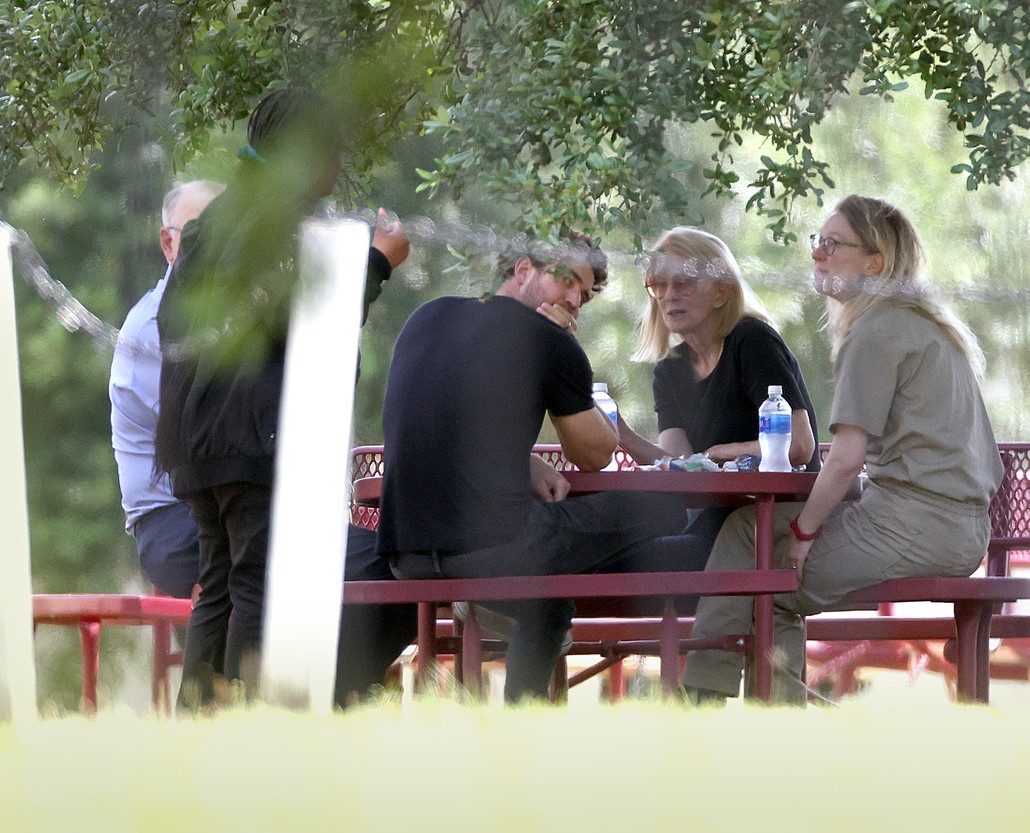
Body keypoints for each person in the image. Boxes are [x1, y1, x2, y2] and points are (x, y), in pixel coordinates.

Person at [681, 194, 1005, 705]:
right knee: (748, 532)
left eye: (833, 245)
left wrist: (806, 532)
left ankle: (709, 704)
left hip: (914, 528)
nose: (817, 254)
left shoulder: (876, 332)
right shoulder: (924, 324)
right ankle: (750, 705)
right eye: (818, 241)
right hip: (958, 529)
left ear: (874, 263)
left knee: (766, 580)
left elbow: (847, 457)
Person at [155, 87, 414, 708]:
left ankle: (196, 722)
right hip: (250, 433)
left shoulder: (217, 219)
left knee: (218, 584)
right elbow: (309, 318)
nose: (339, 163)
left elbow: (177, 322)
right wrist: (378, 263)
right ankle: (247, 719)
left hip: (198, 436)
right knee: (254, 583)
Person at [376, 232, 687, 703]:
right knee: (666, 506)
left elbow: (446, 422)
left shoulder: (428, 316)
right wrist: (563, 347)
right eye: (567, 282)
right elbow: (594, 455)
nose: (574, 300)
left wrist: (526, 461)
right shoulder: (548, 340)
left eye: (583, 293)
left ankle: (525, 725)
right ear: (522, 270)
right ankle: (533, 705)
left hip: (406, 552)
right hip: (494, 549)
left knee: (547, 596)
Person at [608, 226, 821, 572]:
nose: (668, 295)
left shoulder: (752, 340)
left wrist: (721, 452)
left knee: (630, 563)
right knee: (603, 554)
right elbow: (680, 465)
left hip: (772, 521)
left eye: (684, 282)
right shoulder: (669, 369)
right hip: (714, 519)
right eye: (658, 284)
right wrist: (622, 434)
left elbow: (798, 446)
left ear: (721, 293)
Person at [110, 179, 223, 600]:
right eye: (196, 235)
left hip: (221, 514)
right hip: (175, 525)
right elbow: (205, 443)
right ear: (167, 244)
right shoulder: (152, 328)